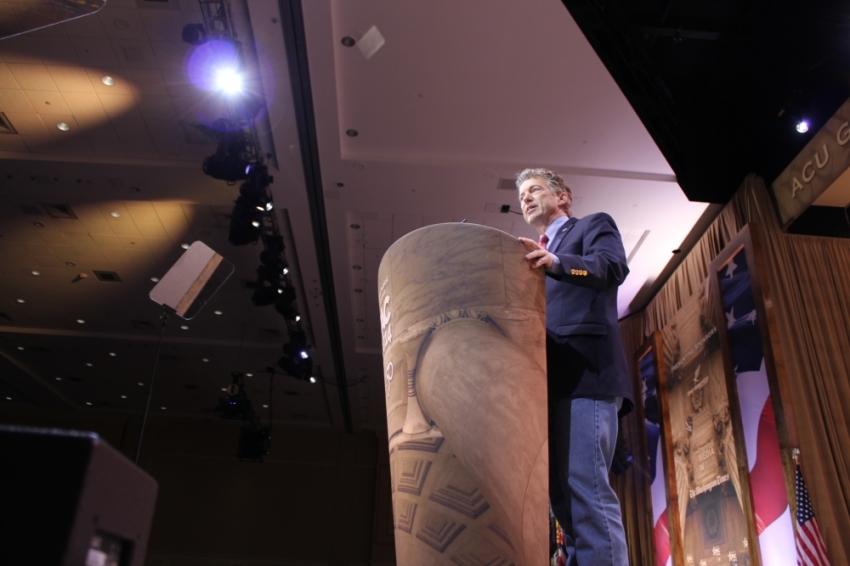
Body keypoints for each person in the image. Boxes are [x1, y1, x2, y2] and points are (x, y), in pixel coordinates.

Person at [516, 168, 633, 566]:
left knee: (586, 491)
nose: (525, 198)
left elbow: (610, 267)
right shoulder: (531, 258)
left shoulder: (591, 227)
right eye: (521, 195)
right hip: (547, 383)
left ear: (562, 196)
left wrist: (559, 263)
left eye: (534, 190)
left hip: (587, 376)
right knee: (561, 498)